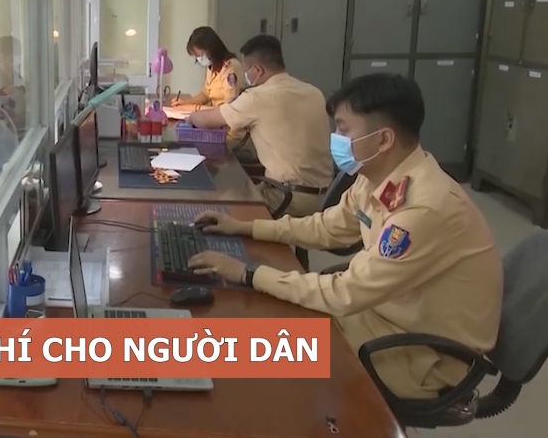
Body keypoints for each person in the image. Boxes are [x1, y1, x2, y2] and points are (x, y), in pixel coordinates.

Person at [187, 73, 503, 401]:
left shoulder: (423, 208)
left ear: (383, 140)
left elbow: (345, 293)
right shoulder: (378, 177)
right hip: (377, 315)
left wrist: (247, 273)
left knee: (241, 349)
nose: (336, 139)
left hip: (419, 355)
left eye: (344, 129)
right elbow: (326, 228)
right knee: (250, 329)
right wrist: (246, 227)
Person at [187, 35, 333, 217]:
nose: (245, 76)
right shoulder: (314, 92)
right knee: (234, 192)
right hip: (324, 198)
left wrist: (191, 117)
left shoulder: (257, 97)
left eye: (246, 70)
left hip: (286, 197)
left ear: (257, 70)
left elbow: (205, 120)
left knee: (213, 207)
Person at [171, 26, 248, 150]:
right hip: (216, 127)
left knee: (193, 147)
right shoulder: (212, 67)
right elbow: (206, 94)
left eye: (199, 55)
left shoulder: (230, 68)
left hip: (230, 133)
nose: (198, 59)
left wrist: (197, 109)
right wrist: (186, 103)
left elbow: (229, 108)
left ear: (210, 48)